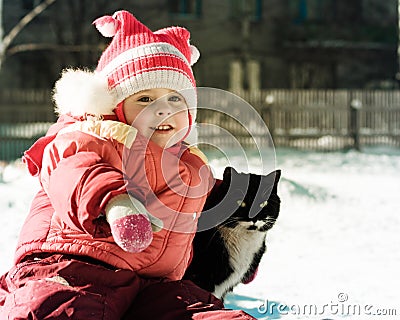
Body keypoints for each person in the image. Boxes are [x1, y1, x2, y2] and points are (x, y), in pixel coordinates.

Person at [0, 10, 256, 320]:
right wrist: (118, 205)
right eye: (145, 99)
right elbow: (76, 171)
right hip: (75, 265)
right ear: (115, 106)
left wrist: (242, 233)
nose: (162, 111)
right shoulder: (91, 134)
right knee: (61, 308)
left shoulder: (190, 166)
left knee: (195, 310)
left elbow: (208, 203)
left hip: (153, 285)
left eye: (175, 100)